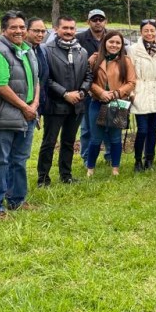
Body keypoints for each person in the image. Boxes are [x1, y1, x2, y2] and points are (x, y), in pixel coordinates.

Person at [0, 11, 40, 218]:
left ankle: (17, 199)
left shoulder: (27, 49)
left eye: (22, 27)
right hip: (6, 116)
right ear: (3, 30)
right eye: (13, 27)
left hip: (28, 115)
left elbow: (36, 80)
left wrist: (34, 103)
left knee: (19, 160)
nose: (19, 31)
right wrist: (24, 107)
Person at [37, 15, 92, 187]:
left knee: (69, 141)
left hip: (76, 105)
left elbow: (88, 75)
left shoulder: (81, 51)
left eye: (72, 28)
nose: (68, 31)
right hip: (55, 105)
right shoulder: (46, 50)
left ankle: (66, 175)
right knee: (49, 142)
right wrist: (65, 93)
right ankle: (43, 178)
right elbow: (46, 78)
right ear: (56, 29)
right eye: (65, 28)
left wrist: (82, 91)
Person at [86, 31, 136, 177]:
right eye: (111, 42)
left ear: (121, 45)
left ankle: (115, 168)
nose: (114, 45)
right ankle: (90, 169)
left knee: (115, 137)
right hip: (97, 102)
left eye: (118, 43)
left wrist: (117, 93)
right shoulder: (94, 59)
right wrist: (100, 92)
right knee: (95, 138)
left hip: (117, 104)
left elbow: (131, 82)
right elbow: (88, 80)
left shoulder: (125, 61)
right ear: (105, 42)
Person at [129, 19, 156, 172]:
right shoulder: (133, 50)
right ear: (141, 32)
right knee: (143, 129)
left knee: (153, 129)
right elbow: (129, 72)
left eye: (152, 30)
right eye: (146, 30)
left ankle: (149, 160)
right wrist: (132, 93)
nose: (149, 33)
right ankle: (138, 160)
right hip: (140, 92)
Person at [77, 8, 110, 163]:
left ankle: (110, 156)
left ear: (105, 21)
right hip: (88, 88)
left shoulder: (112, 38)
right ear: (88, 22)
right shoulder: (80, 39)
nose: (98, 22)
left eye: (100, 19)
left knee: (111, 124)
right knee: (87, 128)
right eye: (94, 19)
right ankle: (86, 157)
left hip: (109, 89)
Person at [25, 17, 49, 115]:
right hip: (24, 105)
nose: (40, 34)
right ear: (26, 30)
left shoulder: (41, 51)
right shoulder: (22, 52)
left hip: (37, 104)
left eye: (43, 31)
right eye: (36, 31)